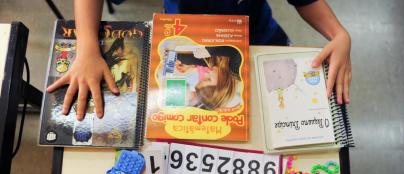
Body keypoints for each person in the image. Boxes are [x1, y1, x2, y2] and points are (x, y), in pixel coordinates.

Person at [47, 0, 352, 121]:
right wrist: (87, 45)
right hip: (184, 37)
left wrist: (338, 34)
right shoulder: (188, 71)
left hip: (261, 46)